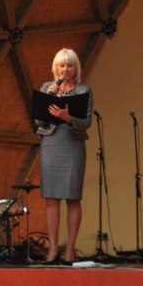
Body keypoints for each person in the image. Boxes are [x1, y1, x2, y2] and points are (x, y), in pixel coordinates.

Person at [34, 48, 93, 264]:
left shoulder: (83, 90)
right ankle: (52, 249)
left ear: (76, 68)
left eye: (69, 65)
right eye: (61, 65)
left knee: (73, 197)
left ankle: (70, 248)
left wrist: (68, 118)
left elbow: (86, 122)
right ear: (55, 67)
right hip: (51, 145)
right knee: (51, 199)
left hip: (72, 145)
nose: (65, 69)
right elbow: (38, 123)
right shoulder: (46, 88)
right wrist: (48, 98)